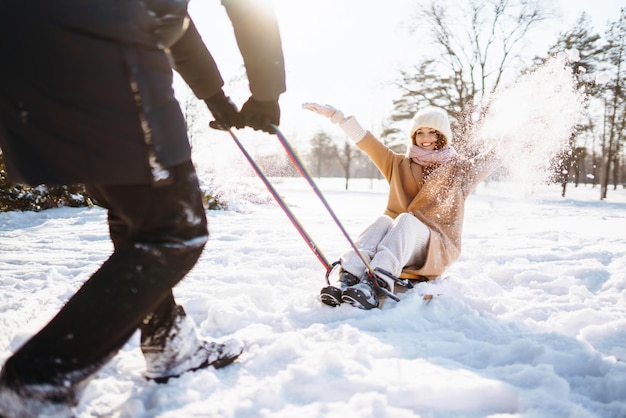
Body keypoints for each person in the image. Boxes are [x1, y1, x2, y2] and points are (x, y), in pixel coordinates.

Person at [0, 0, 285, 416]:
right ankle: (39, 379)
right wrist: (266, 94)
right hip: (103, 46)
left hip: (26, 45)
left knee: (138, 212)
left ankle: (167, 337)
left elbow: (169, 15)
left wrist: (215, 96)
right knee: (174, 228)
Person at [303, 102, 499, 310]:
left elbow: (492, 158)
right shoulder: (399, 165)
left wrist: (520, 132)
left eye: (432, 132)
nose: (425, 139)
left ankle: (376, 283)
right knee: (383, 221)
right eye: (420, 133)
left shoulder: (459, 171)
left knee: (405, 219)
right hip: (399, 241)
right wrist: (336, 116)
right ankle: (348, 276)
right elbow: (368, 143)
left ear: (442, 136)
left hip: (434, 246)